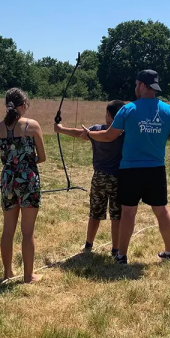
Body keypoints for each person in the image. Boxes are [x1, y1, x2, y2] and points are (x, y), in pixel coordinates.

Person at [85, 69, 170, 265]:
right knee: (162, 211)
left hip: (130, 170)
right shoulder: (169, 110)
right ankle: (169, 252)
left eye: (136, 85)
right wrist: (160, 134)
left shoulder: (128, 109)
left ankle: (121, 256)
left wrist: (90, 134)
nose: (135, 88)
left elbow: (109, 136)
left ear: (141, 85)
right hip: (156, 169)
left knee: (129, 213)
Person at [54, 100, 126, 255]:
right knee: (116, 215)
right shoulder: (124, 133)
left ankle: (88, 245)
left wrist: (60, 129)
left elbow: (77, 132)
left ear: (108, 114)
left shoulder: (96, 130)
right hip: (118, 179)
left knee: (95, 212)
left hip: (99, 177)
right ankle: (116, 249)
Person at [0, 88, 47, 283]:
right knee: (27, 231)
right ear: (23, 105)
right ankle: (28, 276)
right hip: (28, 180)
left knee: (8, 230)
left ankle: (7, 273)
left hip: (8, 180)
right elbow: (42, 157)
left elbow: (4, 154)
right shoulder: (32, 126)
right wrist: (26, 164)